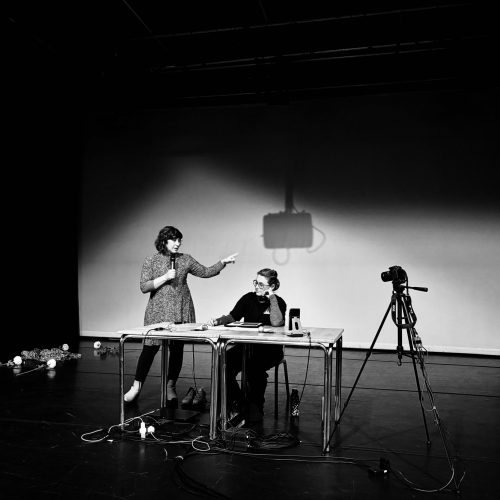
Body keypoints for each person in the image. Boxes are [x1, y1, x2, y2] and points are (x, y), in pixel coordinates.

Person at [124, 225, 238, 404]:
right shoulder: (151, 260)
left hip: (180, 309)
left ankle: (170, 386)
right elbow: (144, 286)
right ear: (164, 241)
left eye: (179, 240)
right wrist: (165, 277)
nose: (178, 243)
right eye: (174, 240)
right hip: (157, 311)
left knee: (176, 350)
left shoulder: (185, 259)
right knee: (149, 348)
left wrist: (222, 262)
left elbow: (205, 272)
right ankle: (136, 387)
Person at [208, 268, 286, 423]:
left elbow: (277, 322)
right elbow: (233, 316)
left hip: (269, 349)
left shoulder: (278, 302)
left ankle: (256, 407)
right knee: (223, 362)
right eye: (256, 282)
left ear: (271, 286)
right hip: (247, 346)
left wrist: (271, 297)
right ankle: (240, 403)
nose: (256, 286)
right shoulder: (248, 298)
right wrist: (218, 321)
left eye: (261, 284)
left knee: (253, 367)